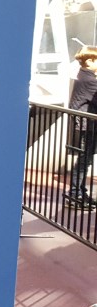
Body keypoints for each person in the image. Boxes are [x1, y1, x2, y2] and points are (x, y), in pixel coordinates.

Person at [67, 46, 97, 209]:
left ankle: (79, 192)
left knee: (86, 159)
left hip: (87, 124)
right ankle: (74, 194)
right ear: (90, 61)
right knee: (85, 160)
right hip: (88, 125)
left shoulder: (84, 75)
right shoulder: (90, 80)